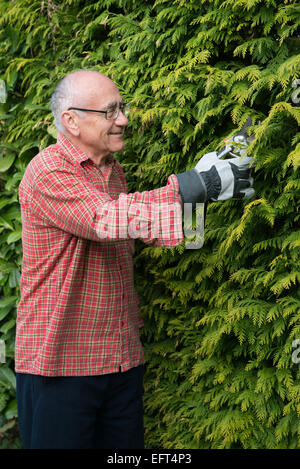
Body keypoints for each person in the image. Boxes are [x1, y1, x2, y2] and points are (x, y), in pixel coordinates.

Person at [15, 70, 255, 449]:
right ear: (71, 121)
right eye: (110, 111)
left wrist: (208, 184)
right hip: (61, 365)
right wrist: (197, 183)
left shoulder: (112, 172)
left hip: (120, 359)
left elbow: (143, 228)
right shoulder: (47, 170)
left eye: (122, 108)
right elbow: (106, 220)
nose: (123, 119)